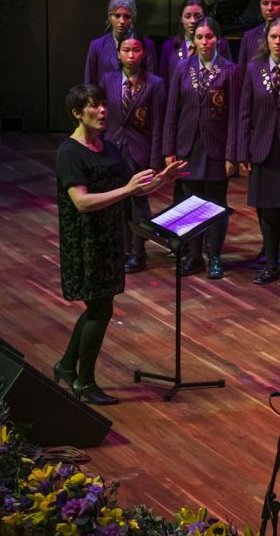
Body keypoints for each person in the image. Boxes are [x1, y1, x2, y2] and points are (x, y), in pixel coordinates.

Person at [54, 84, 184, 405]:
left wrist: (162, 179)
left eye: (103, 105)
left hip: (109, 239)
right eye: (93, 107)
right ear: (76, 113)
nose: (102, 112)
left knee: (99, 307)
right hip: (85, 241)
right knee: (100, 308)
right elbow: (81, 202)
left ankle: (67, 367)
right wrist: (127, 191)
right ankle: (83, 382)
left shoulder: (109, 148)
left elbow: (134, 188)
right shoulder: (69, 153)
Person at [162, 16, 239, 279]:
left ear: (218, 39)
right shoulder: (182, 68)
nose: (205, 42)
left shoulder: (230, 70)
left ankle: (214, 256)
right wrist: (169, 149)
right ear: (193, 40)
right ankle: (194, 256)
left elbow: (235, 116)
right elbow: (172, 111)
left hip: (216, 148)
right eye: (200, 37)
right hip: (188, 146)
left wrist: (232, 154)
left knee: (215, 203)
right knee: (190, 203)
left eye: (209, 37)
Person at [236, 16, 280, 285]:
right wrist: (243, 152)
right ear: (266, 39)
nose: (278, 42)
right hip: (261, 150)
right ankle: (272, 265)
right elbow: (244, 112)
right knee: (266, 211)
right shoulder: (254, 68)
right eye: (273, 37)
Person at [97, 33, 166, 275]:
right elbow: (102, 118)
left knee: (139, 202)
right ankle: (124, 249)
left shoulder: (154, 83)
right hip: (115, 149)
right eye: (126, 50)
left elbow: (158, 123)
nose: (131, 55)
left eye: (135, 50)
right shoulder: (108, 79)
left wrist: (156, 158)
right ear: (118, 53)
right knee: (120, 201)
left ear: (143, 53)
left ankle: (139, 251)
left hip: (141, 151)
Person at [85, 0, 157, 83]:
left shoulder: (147, 45)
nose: (122, 21)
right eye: (117, 16)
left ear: (133, 18)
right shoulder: (97, 45)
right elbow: (89, 84)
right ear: (110, 17)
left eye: (127, 16)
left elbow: (152, 83)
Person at [237, 0, 280, 67]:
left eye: (275, 3)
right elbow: (241, 74)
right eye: (265, 3)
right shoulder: (249, 36)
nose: (269, 8)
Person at [159, 0, 207, 83]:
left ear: (205, 17)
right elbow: (164, 82)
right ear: (181, 19)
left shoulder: (218, 45)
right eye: (187, 16)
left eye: (198, 16)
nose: (192, 21)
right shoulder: (169, 46)